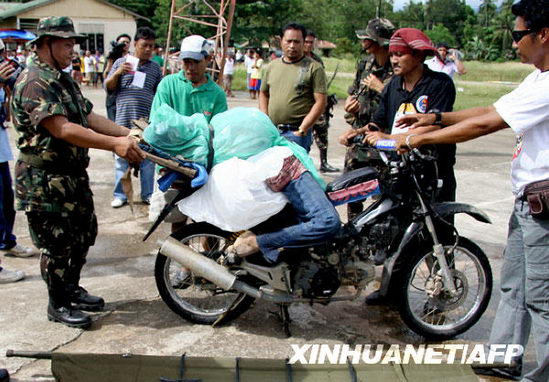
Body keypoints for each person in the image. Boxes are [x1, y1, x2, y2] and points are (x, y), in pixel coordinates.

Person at [394, 1, 548, 380]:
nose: (514, 44)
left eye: (518, 35)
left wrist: (416, 139)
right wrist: (433, 119)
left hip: (544, 204)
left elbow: (487, 126)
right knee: (514, 287)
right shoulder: (537, 79)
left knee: (543, 298)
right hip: (528, 202)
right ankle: (503, 357)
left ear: (543, 34)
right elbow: (489, 110)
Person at [11, 16, 144, 328]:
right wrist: (114, 145)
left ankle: (70, 288)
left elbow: (88, 116)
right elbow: (63, 128)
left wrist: (129, 135)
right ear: (46, 43)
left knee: (83, 235)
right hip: (44, 180)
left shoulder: (62, 77)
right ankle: (57, 303)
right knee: (56, 245)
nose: (73, 49)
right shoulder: (34, 81)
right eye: (67, 43)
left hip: (71, 176)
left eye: (74, 43)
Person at [340, 28, 456, 305]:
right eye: (391, 54)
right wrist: (357, 133)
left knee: (436, 236)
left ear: (417, 55)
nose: (393, 59)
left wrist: (389, 138)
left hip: (432, 173)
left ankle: (442, 295)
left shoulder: (439, 85)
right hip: (400, 172)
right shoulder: (393, 86)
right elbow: (378, 122)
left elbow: (431, 125)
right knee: (394, 234)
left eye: (399, 54)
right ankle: (389, 290)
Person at [342, 18, 395, 219]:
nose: (363, 42)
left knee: (382, 196)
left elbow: (400, 103)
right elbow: (354, 91)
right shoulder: (365, 65)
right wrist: (350, 104)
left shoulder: (397, 69)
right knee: (350, 192)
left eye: (368, 38)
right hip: (359, 140)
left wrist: (381, 88)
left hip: (382, 142)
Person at [106, 27, 162, 208]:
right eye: (145, 45)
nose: (148, 49)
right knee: (121, 160)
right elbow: (108, 87)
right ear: (135, 44)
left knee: (146, 160)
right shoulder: (122, 63)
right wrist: (118, 72)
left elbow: (159, 93)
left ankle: (147, 194)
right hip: (123, 120)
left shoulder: (155, 68)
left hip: (145, 122)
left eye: (151, 46)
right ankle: (120, 195)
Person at [260, 23, 327, 153]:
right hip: (272, 132)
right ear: (281, 41)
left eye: (297, 42)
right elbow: (263, 93)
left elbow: (321, 101)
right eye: (288, 41)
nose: (292, 46)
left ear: (303, 42)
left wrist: (303, 129)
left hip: (296, 134)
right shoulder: (272, 66)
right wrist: (265, 120)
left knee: (294, 172)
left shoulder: (314, 68)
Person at [0, 50, 37, 283]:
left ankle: (6, 241)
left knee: (5, 203)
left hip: (2, 152)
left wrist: (9, 88)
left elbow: (11, 117)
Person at [304, 30, 339, 173]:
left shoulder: (317, 60)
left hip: (318, 105)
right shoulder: (297, 61)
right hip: (303, 105)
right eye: (306, 42)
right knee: (302, 135)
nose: (308, 45)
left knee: (322, 134)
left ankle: (324, 162)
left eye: (311, 42)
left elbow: (321, 83)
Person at [104, 33, 131, 122]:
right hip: (112, 98)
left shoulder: (132, 59)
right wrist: (110, 61)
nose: (125, 44)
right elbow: (105, 77)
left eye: (127, 42)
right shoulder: (112, 57)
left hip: (126, 99)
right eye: (123, 42)